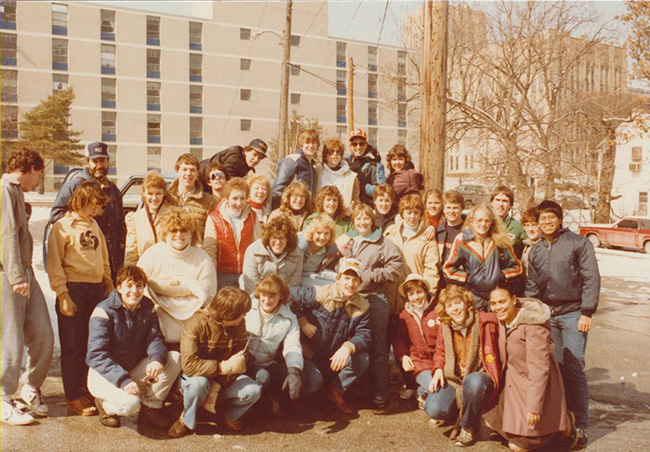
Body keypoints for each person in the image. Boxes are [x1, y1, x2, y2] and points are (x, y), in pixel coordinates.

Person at [525, 200, 600, 449]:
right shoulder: (535, 251)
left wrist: (587, 312)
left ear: (559, 219)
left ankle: (580, 423)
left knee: (574, 366)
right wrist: (535, 317)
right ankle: (559, 420)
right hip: (549, 316)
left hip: (573, 313)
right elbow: (533, 288)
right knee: (554, 368)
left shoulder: (578, 243)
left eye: (550, 217)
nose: (546, 222)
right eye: (542, 219)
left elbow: (591, 277)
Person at [86, 266, 182, 429]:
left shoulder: (146, 306)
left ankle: (151, 408)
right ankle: (105, 404)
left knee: (174, 358)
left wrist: (156, 359)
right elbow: (96, 355)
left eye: (139, 285)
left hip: (131, 369)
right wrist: (123, 379)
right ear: (119, 288)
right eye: (129, 285)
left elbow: (154, 337)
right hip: (104, 374)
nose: (134, 291)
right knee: (130, 404)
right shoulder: (103, 311)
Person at [47, 181, 113, 416]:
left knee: (92, 343)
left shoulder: (94, 224)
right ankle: (74, 395)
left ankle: (89, 390)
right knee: (73, 346)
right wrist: (63, 294)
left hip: (96, 290)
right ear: (81, 201)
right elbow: (54, 264)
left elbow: (103, 258)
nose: (96, 211)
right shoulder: (62, 227)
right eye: (93, 206)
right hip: (74, 290)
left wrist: (109, 284)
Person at [486, 284, 577, 452]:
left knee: (517, 447)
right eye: (494, 303)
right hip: (513, 384)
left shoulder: (533, 327)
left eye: (502, 301)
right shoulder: (501, 320)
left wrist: (534, 407)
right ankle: (522, 426)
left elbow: (539, 371)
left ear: (514, 300)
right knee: (490, 422)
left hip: (535, 387)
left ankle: (561, 425)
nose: (498, 307)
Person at [1, 149, 54, 425]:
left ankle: (30, 386)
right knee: (11, 338)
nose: (37, 181)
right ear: (30, 168)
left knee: (43, 331)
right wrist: (16, 277)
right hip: (10, 275)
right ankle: (3, 398)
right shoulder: (5, 191)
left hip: (25, 272)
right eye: (38, 175)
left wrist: (25, 274)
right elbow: (7, 235)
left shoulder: (17, 192)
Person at [168, 287, 262, 437]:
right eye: (242, 313)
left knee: (253, 390)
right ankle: (186, 419)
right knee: (198, 385)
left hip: (223, 380)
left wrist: (218, 383)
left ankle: (226, 416)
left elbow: (241, 357)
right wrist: (221, 367)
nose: (245, 316)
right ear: (229, 315)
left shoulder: (239, 323)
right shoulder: (195, 324)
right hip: (190, 378)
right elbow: (189, 366)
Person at [289, 258, 371, 414]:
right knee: (313, 383)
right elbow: (289, 296)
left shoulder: (363, 305)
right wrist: (302, 321)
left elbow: (364, 334)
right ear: (338, 279)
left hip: (334, 360)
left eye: (355, 280)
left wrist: (347, 348)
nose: (350, 284)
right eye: (346, 278)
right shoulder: (321, 292)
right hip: (310, 355)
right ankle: (304, 396)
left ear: (360, 283)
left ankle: (335, 390)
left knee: (362, 359)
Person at [347, 203, 405, 408]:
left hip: (375, 298)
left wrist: (371, 276)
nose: (362, 222)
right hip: (353, 299)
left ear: (372, 220)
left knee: (379, 346)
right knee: (357, 344)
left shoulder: (382, 242)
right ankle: (360, 388)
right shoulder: (350, 240)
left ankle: (381, 390)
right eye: (358, 219)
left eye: (366, 218)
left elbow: (396, 267)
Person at [429, 285, 501, 447]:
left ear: (466, 303)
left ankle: (467, 425)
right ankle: (468, 407)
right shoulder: (445, 326)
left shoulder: (485, 321)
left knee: (473, 382)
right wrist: (438, 368)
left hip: (482, 376)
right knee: (434, 409)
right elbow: (440, 351)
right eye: (449, 305)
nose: (454, 309)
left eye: (457, 303)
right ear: (445, 310)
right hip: (456, 378)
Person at [137, 208, 217, 346]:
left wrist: (163, 290)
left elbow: (208, 297)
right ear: (165, 233)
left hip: (191, 332)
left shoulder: (203, 259)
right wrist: (190, 290)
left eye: (183, 230)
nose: (178, 235)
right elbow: (140, 289)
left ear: (191, 232)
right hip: (156, 329)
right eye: (173, 230)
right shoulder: (152, 255)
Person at [48, 141, 125, 281]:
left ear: (108, 162)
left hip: (109, 265)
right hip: (81, 266)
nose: (99, 165)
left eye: (103, 160)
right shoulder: (74, 186)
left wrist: (119, 261)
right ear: (87, 162)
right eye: (95, 161)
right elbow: (55, 215)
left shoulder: (114, 191)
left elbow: (120, 228)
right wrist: (82, 217)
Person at [246, 274, 315, 416]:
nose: (267, 300)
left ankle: (280, 400)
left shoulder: (289, 318)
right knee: (262, 377)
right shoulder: (246, 307)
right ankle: (258, 403)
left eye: (272, 296)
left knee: (302, 377)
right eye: (264, 295)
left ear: (281, 296)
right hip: (244, 362)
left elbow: (292, 345)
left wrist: (294, 369)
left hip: (267, 362)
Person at [443, 204, 522, 311]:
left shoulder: (501, 239)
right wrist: (468, 278)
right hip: (473, 295)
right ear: (471, 221)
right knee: (476, 325)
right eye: (479, 220)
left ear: (492, 222)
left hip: (497, 296)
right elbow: (448, 269)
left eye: (487, 220)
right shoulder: (463, 239)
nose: (483, 224)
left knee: (497, 326)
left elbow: (517, 268)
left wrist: (501, 276)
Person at [204, 178, 261, 288]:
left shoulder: (252, 217)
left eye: (242, 199)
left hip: (247, 272)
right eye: (234, 198)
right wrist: (211, 276)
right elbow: (210, 249)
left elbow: (257, 244)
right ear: (226, 199)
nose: (239, 203)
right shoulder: (214, 218)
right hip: (223, 274)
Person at [393, 274, 441, 403]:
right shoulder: (405, 314)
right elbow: (400, 338)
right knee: (436, 388)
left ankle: (421, 392)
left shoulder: (438, 309)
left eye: (419, 292)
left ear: (425, 291)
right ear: (407, 297)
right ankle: (425, 392)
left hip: (441, 361)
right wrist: (403, 356)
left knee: (443, 388)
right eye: (411, 294)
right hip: (420, 362)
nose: (416, 297)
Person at [384, 194, 441, 294]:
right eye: (408, 212)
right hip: (389, 291)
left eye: (416, 212)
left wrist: (429, 294)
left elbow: (431, 270)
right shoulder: (390, 232)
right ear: (402, 213)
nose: (412, 216)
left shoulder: (427, 237)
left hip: (413, 293)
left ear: (421, 214)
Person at [240, 214, 303, 294]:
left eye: (282, 238)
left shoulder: (297, 255)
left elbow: (293, 286)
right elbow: (251, 285)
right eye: (274, 237)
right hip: (256, 296)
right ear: (268, 237)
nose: (278, 242)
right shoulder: (253, 251)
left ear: (288, 239)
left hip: (283, 297)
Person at [124, 171, 175, 267]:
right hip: (144, 270)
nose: (154, 198)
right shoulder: (135, 218)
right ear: (143, 193)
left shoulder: (173, 214)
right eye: (150, 194)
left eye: (158, 193)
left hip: (168, 269)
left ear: (164, 193)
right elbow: (131, 253)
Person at [168, 153, 215, 240]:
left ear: (197, 173)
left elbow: (211, 235)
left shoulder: (209, 201)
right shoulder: (166, 197)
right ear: (177, 171)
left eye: (192, 170)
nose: (188, 173)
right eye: (184, 169)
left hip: (196, 251)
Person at [272, 129, 321, 209]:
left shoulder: (313, 165)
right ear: (302, 145)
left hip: (304, 212)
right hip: (290, 211)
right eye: (307, 143)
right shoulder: (292, 160)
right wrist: (283, 209)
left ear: (317, 145)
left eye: (313, 143)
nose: (311, 146)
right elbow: (278, 190)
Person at [198, 139, 268, 191]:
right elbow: (229, 180)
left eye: (259, 158)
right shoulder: (235, 158)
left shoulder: (244, 161)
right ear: (246, 150)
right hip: (201, 179)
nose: (256, 159)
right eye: (254, 155)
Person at [345, 128, 386, 207]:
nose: (358, 147)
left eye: (361, 144)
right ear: (350, 146)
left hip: (366, 207)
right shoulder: (344, 163)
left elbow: (382, 190)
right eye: (354, 144)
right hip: (346, 206)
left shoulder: (375, 165)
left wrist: (361, 186)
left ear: (366, 145)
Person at [318, 137, 360, 214]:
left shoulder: (351, 176)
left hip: (343, 217)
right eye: (331, 151)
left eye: (338, 152)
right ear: (325, 155)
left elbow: (356, 201)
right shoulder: (318, 172)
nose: (335, 154)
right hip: (321, 216)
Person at [298, 214, 340, 287]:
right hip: (297, 276)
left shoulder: (330, 248)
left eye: (326, 233)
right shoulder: (299, 244)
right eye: (319, 232)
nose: (322, 237)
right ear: (312, 232)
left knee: (339, 282)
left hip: (314, 274)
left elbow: (334, 265)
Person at [490, 186, 527, 259]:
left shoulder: (518, 226)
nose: (500, 204)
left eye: (505, 201)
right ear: (492, 203)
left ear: (511, 205)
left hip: (510, 269)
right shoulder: (484, 224)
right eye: (497, 200)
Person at [435, 190, 466, 268]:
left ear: (462, 208)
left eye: (455, 208)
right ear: (443, 209)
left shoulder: (469, 232)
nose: (451, 211)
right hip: (441, 277)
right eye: (448, 207)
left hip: (461, 277)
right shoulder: (438, 232)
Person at [520, 207, 542, 277]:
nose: (530, 229)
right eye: (526, 225)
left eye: (534, 225)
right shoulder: (527, 246)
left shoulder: (544, 247)